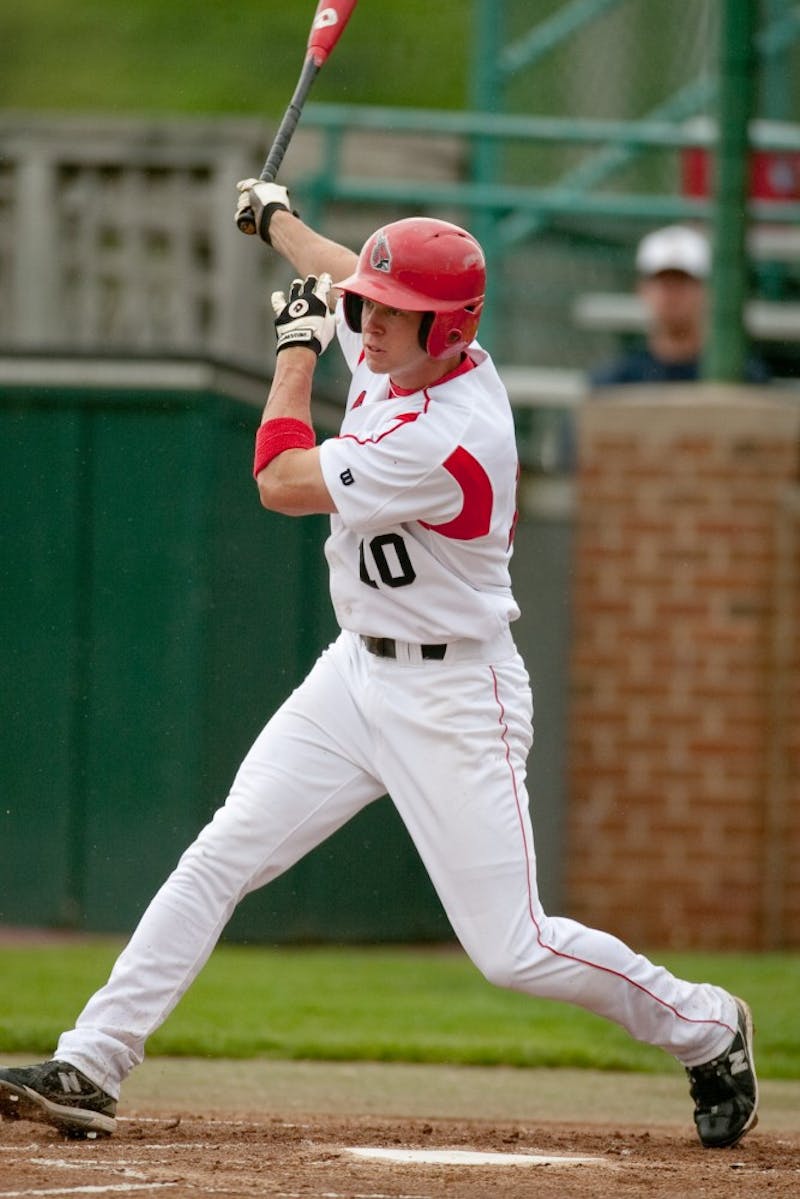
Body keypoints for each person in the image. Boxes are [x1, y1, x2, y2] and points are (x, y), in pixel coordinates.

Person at [0, 186, 757, 1150]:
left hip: (454, 694)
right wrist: (275, 218)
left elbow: (279, 481)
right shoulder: (396, 332)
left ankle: (706, 1022)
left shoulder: (449, 432)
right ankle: (93, 1060)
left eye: (396, 313)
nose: (372, 322)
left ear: (451, 329)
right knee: (222, 852)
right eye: (367, 306)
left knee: (512, 948)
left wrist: (293, 350)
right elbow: (333, 263)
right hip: (355, 673)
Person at [590, 224, 771, 386]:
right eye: (662, 282)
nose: (671, 294)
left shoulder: (741, 377)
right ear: (642, 290)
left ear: (708, 290)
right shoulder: (616, 381)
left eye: (682, 282)